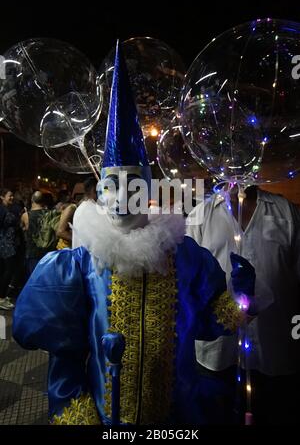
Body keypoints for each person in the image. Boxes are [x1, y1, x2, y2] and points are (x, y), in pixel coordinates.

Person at [13, 42, 255, 425]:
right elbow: (66, 355)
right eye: (111, 187)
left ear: (148, 190)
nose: (122, 201)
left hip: (178, 414)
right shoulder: (78, 265)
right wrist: (77, 411)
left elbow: (210, 323)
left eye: (133, 188)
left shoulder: (184, 255)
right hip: (107, 416)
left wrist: (240, 297)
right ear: (99, 191)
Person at [186, 183, 300, 424]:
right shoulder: (200, 215)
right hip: (217, 357)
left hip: (275, 355)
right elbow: (188, 284)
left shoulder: (286, 212)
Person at [21, 191, 49, 277]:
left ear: (32, 200)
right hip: (47, 252)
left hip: (32, 253)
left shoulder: (26, 215)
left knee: (33, 279)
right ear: (43, 201)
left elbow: (22, 229)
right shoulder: (50, 214)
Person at [0, 188, 19, 310]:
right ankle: (1, 298)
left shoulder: (8, 209)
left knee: (7, 270)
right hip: (4, 244)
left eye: (12, 196)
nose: (11, 198)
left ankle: (2, 296)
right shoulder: (1, 210)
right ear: (2, 197)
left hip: (9, 244)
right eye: (9, 196)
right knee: (7, 270)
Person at [72, 177, 97, 249]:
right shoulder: (91, 208)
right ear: (94, 189)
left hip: (81, 255)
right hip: (87, 257)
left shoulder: (83, 207)